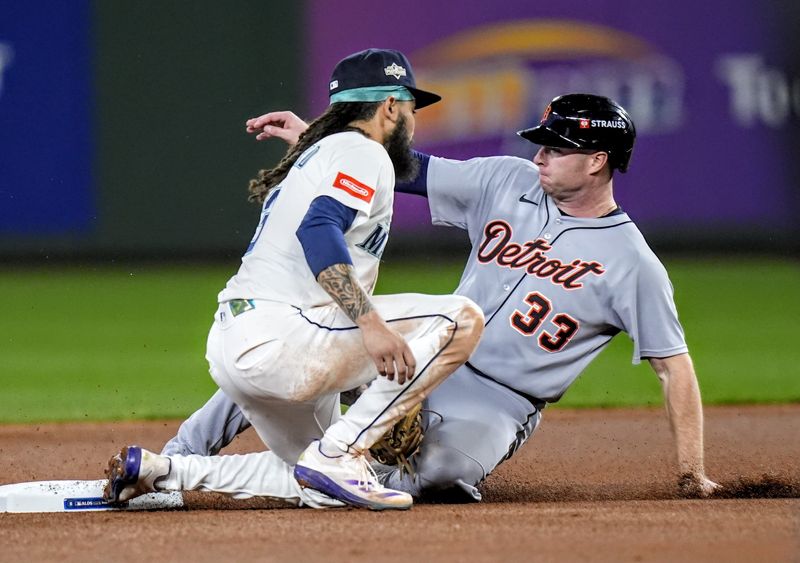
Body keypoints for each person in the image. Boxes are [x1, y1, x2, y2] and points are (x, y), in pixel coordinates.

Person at [161, 93, 720, 501]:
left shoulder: (633, 263)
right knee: (292, 361)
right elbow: (404, 169)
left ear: (598, 160)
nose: (540, 155)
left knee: (430, 479)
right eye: (542, 143)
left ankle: (233, 474)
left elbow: (675, 369)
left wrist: (691, 472)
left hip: (499, 399)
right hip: (429, 349)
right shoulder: (507, 180)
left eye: (556, 147)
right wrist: (316, 138)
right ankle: (177, 462)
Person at [102, 48, 484, 511]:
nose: (412, 119)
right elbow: (318, 229)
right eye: (410, 107)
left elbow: (325, 190)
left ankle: (165, 472)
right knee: (461, 317)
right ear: (389, 106)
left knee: (321, 479)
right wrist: (371, 325)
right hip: (284, 338)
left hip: (235, 345)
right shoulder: (365, 153)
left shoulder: (324, 152)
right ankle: (340, 450)